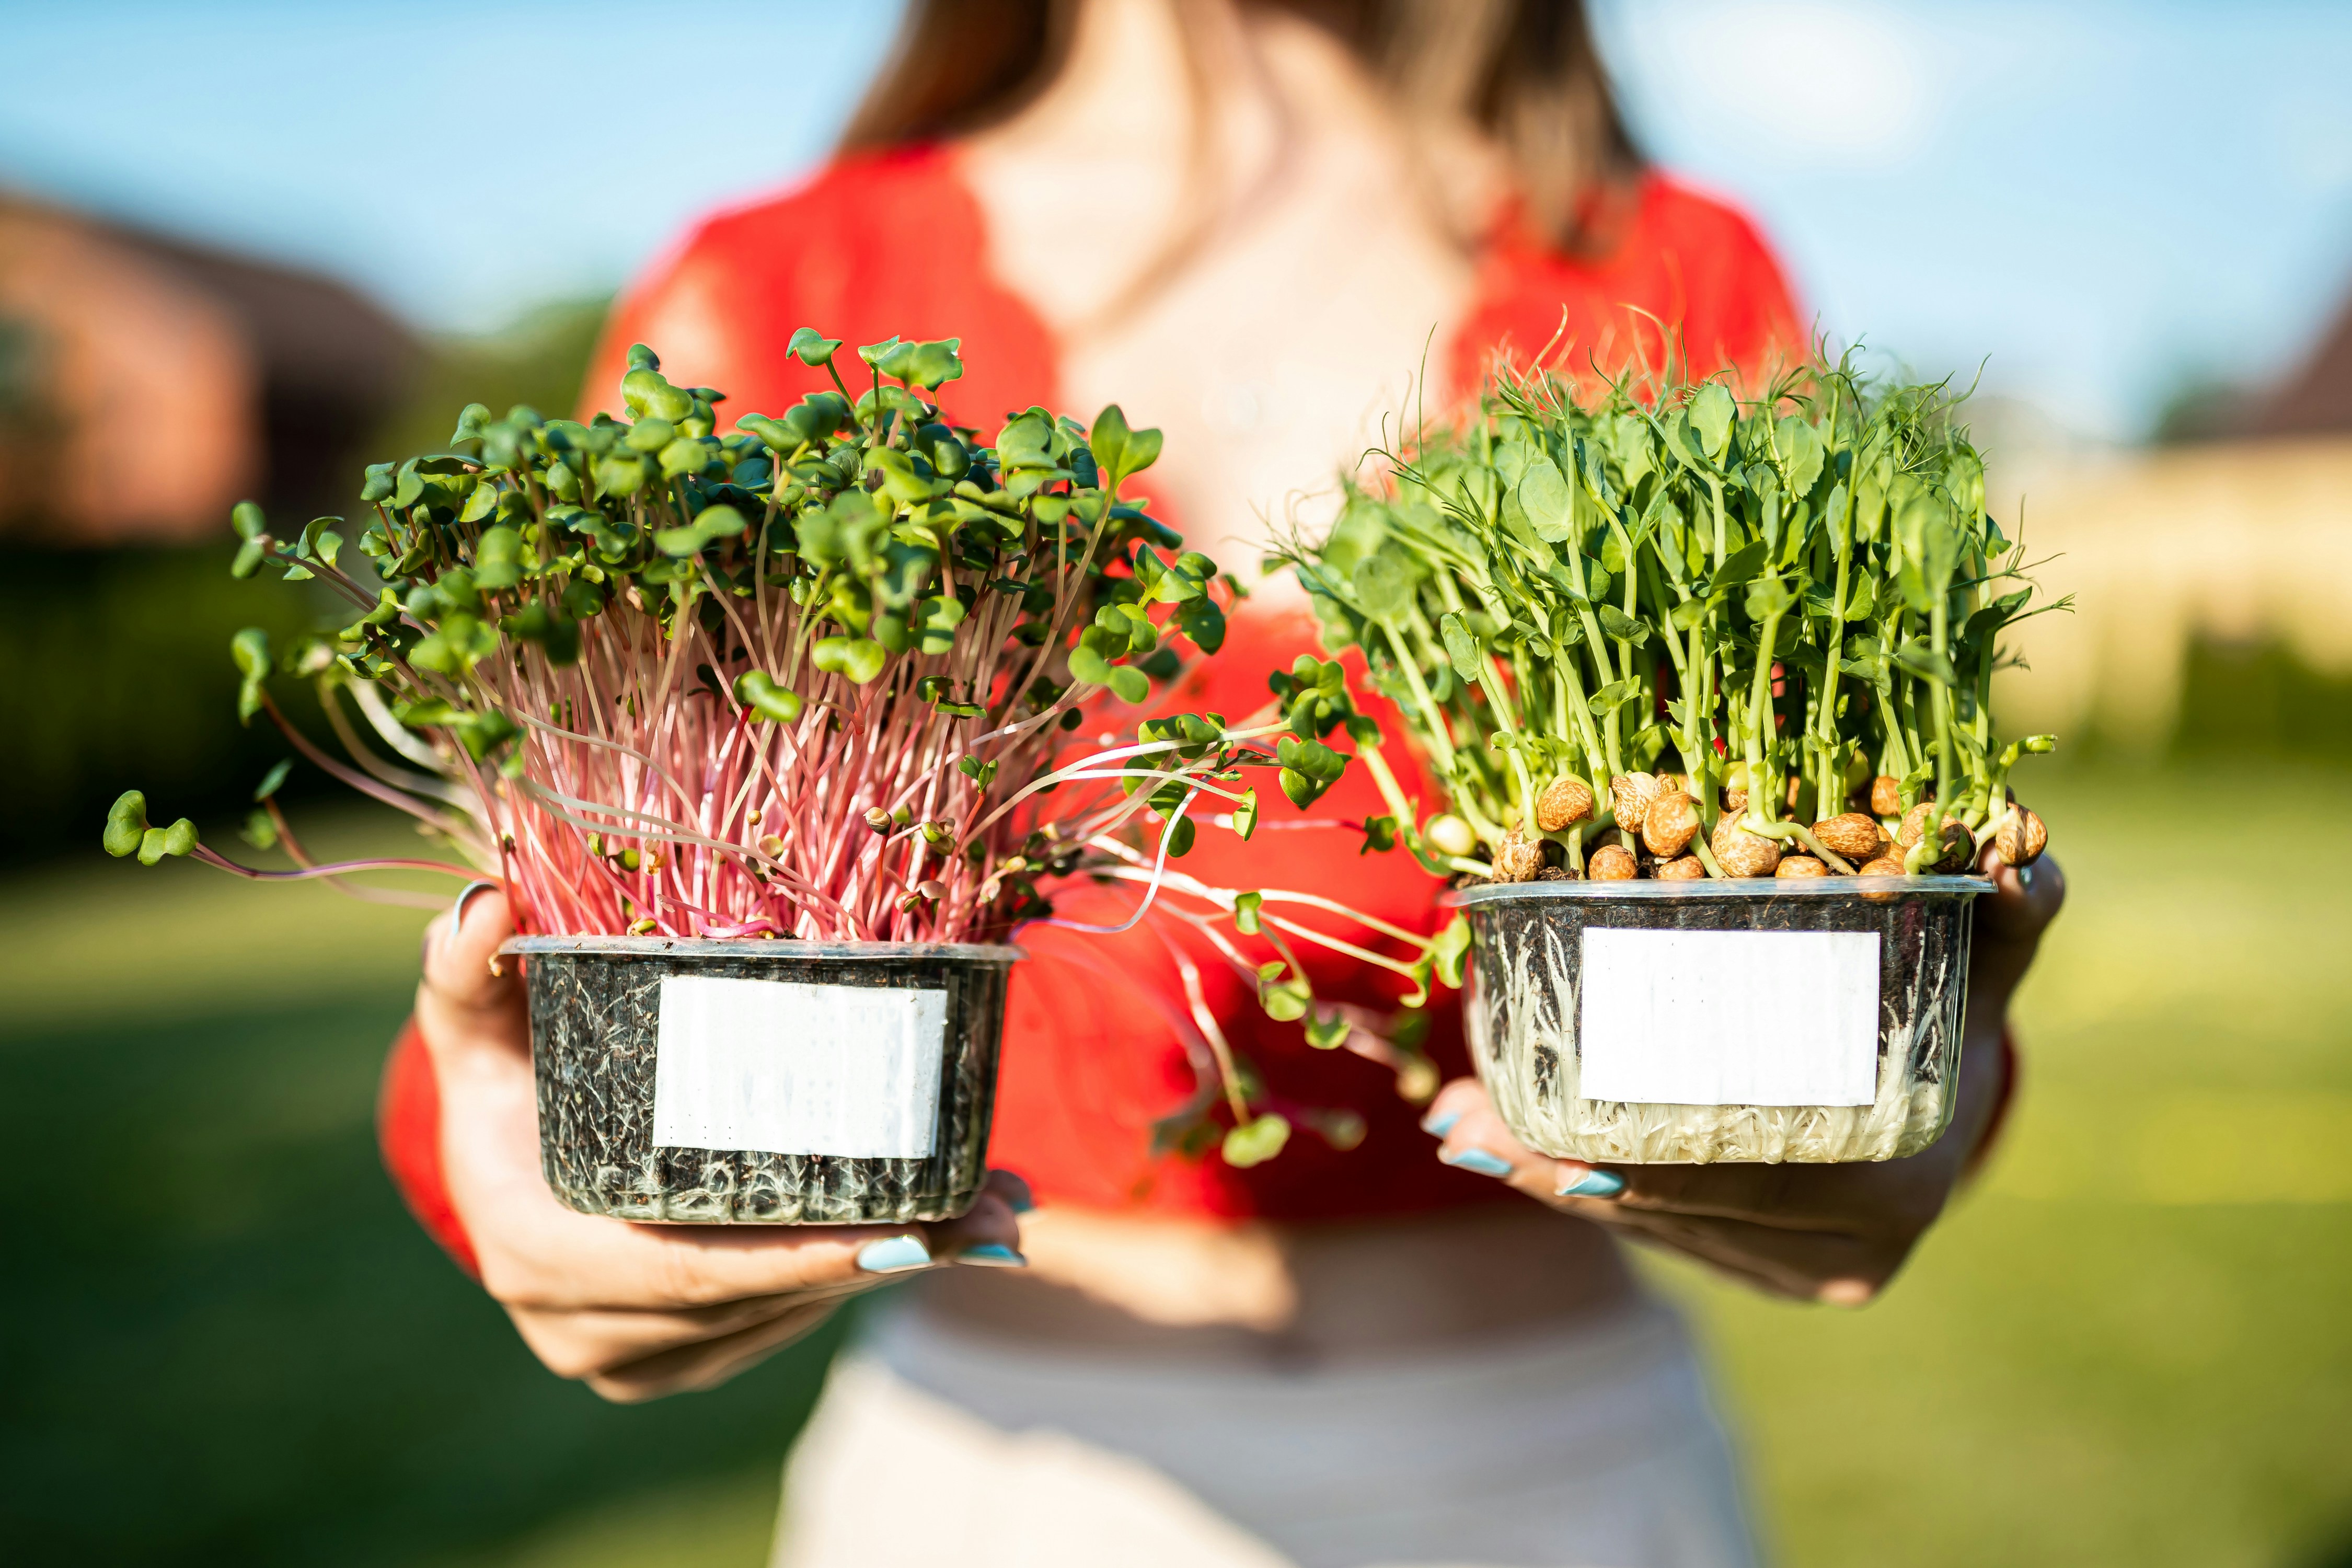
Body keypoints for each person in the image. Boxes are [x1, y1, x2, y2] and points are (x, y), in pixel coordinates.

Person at [381, 3, 2066, 1563]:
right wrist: (505, 1164)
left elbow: (1840, 861)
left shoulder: (1666, 272)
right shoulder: (777, 282)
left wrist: (1922, 1090)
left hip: (1566, 1481)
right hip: (988, 1495)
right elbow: (547, 977)